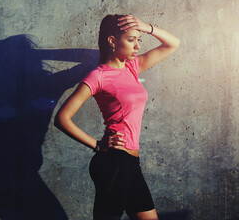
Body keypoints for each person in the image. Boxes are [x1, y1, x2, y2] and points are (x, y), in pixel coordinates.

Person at [54, 14, 180, 220]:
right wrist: (97, 145)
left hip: (131, 163)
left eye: (139, 40)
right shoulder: (99, 76)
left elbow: (173, 44)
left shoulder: (132, 67)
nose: (137, 46)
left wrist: (145, 27)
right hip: (114, 163)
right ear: (112, 41)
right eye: (131, 40)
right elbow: (62, 118)